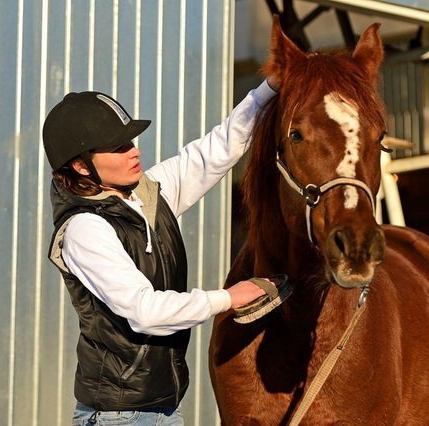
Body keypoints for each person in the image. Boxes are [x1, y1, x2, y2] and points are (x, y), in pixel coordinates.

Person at [43, 77, 278, 426]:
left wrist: (268, 90)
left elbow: (216, 149)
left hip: (162, 411)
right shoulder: (85, 229)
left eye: (130, 140)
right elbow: (145, 311)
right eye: (118, 147)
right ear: (80, 166)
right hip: (118, 418)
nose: (133, 150)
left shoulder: (148, 195)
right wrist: (228, 298)